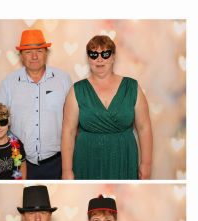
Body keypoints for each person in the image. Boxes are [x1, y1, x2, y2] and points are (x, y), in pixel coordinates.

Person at [0, 29, 72, 180]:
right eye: (28, 52)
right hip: (19, 164)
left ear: (46, 53)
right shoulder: (9, 83)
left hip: (58, 162)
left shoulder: (63, 79)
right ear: (21, 55)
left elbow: (73, 121)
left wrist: (70, 167)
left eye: (39, 51)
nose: (34, 56)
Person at [61, 34, 153, 180]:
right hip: (87, 158)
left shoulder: (132, 87)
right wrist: (66, 170)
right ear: (88, 58)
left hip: (124, 156)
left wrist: (146, 164)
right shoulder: (77, 90)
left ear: (113, 57)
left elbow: (144, 127)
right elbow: (69, 132)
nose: (99, 59)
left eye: (105, 54)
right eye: (94, 54)